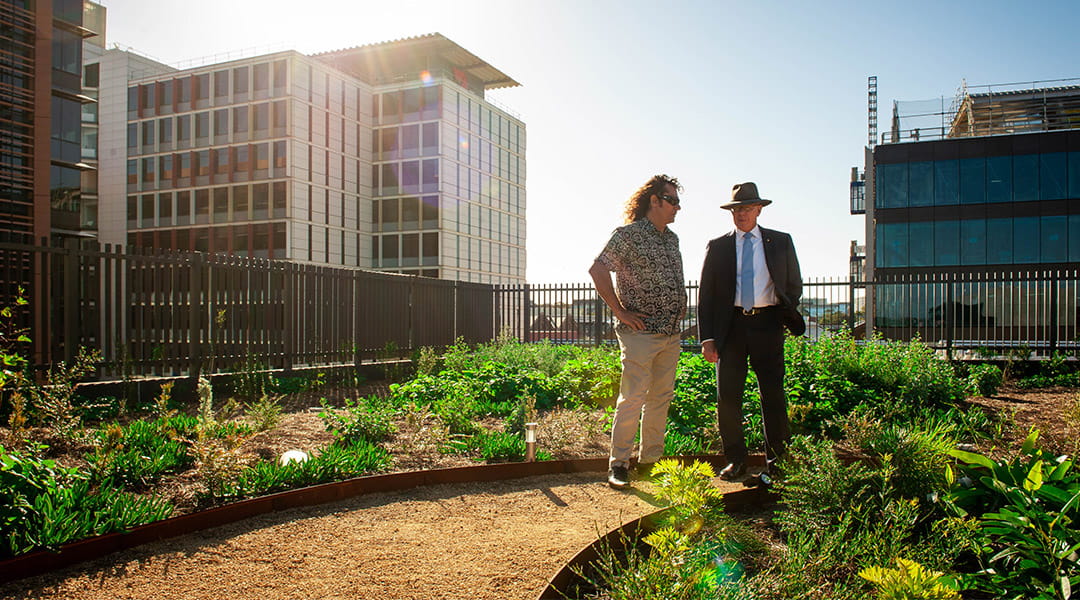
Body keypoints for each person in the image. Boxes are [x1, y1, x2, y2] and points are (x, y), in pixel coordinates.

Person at [697, 182, 804, 481]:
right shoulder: (718, 247)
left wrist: (784, 314)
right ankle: (736, 461)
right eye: (736, 209)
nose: (741, 214)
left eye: (746, 208)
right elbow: (706, 295)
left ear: (759, 209)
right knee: (728, 397)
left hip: (767, 326)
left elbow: (793, 284)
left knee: (773, 396)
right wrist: (708, 339)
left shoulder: (780, 242)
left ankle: (779, 465)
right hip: (730, 328)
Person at [589, 174, 687, 489]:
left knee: (660, 398)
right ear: (654, 201)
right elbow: (598, 268)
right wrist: (619, 311)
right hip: (641, 334)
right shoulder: (628, 236)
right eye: (672, 200)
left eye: (677, 201)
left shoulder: (671, 239)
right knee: (632, 398)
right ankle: (618, 465)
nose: (677, 207)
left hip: (671, 334)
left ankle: (650, 463)